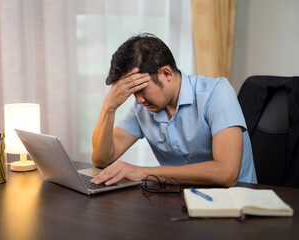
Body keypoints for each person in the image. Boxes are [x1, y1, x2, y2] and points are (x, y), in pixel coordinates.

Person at [91, 33, 257, 187]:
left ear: (166, 73)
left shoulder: (217, 92)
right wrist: (109, 107)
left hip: (233, 205)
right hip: (179, 201)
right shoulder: (141, 109)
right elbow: (102, 159)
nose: (138, 99)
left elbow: (226, 173)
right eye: (132, 92)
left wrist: (143, 172)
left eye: (141, 89)